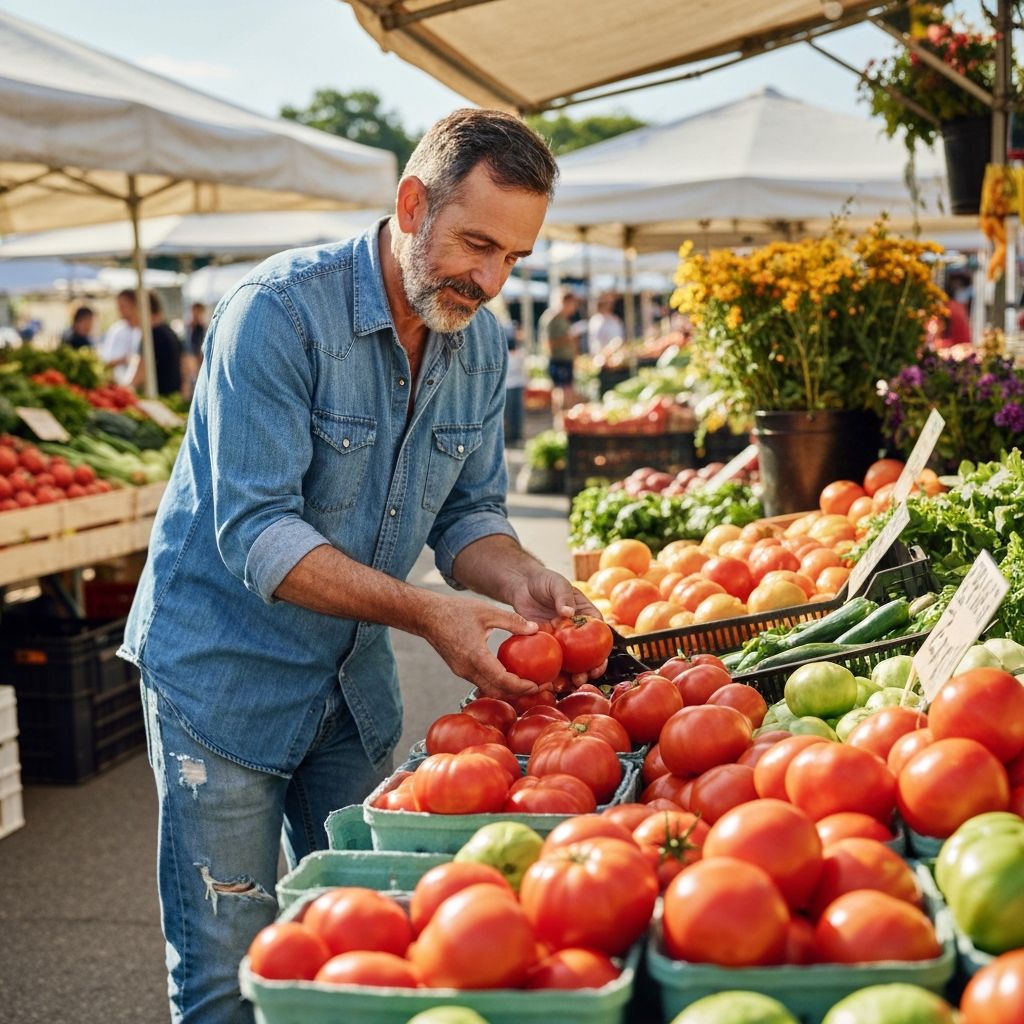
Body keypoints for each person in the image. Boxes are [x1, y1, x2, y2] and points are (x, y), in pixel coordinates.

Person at [119, 109, 600, 1024]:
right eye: (476, 244)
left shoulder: (481, 340)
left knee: (376, 937)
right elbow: (258, 534)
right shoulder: (277, 314)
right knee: (229, 966)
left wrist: (517, 578)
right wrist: (428, 614)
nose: (492, 280)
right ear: (412, 204)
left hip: (349, 678)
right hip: (224, 681)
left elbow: (468, 516)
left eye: (515, 260)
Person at [132, 292, 183, 395]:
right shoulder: (169, 331)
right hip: (173, 394)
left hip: (162, 396)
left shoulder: (152, 336)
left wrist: (128, 390)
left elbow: (141, 374)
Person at [539, 288, 579, 419]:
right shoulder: (552, 318)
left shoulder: (563, 319)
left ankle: (565, 421)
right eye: (572, 304)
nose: (573, 308)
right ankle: (561, 421)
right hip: (558, 360)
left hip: (566, 360)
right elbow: (547, 344)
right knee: (561, 393)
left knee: (567, 392)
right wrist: (567, 340)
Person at [100, 289, 141, 385]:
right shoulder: (117, 330)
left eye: (123, 306)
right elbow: (107, 361)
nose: (120, 310)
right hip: (120, 385)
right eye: (119, 306)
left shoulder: (144, 331)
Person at [505, 322, 526, 444]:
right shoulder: (515, 354)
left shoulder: (518, 353)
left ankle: (515, 435)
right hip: (510, 385)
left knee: (514, 412)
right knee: (511, 412)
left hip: (514, 384)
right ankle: (512, 435)